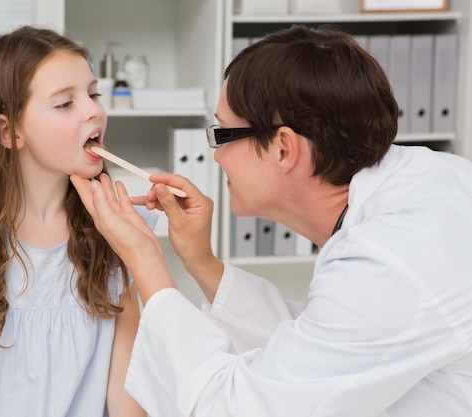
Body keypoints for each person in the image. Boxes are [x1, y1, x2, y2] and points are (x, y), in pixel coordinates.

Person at [70, 24, 472, 417]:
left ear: (283, 148)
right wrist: (201, 263)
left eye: (223, 134)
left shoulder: (393, 261)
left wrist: (145, 259)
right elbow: (322, 345)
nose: (216, 156)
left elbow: (232, 406)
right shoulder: (426, 178)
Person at [0, 25, 152, 417]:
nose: (94, 109)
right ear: (10, 131)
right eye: (65, 103)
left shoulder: (116, 233)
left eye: (93, 94)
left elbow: (126, 391)